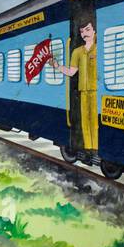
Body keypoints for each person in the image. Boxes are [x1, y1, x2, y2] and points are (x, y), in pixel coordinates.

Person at [50, 21, 99, 152]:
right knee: (85, 121)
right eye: (82, 31)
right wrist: (57, 66)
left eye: (87, 30)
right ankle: (89, 147)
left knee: (95, 122)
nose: (84, 34)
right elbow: (71, 72)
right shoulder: (77, 52)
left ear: (94, 31)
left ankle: (96, 146)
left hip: (97, 91)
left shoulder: (101, 49)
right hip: (83, 91)